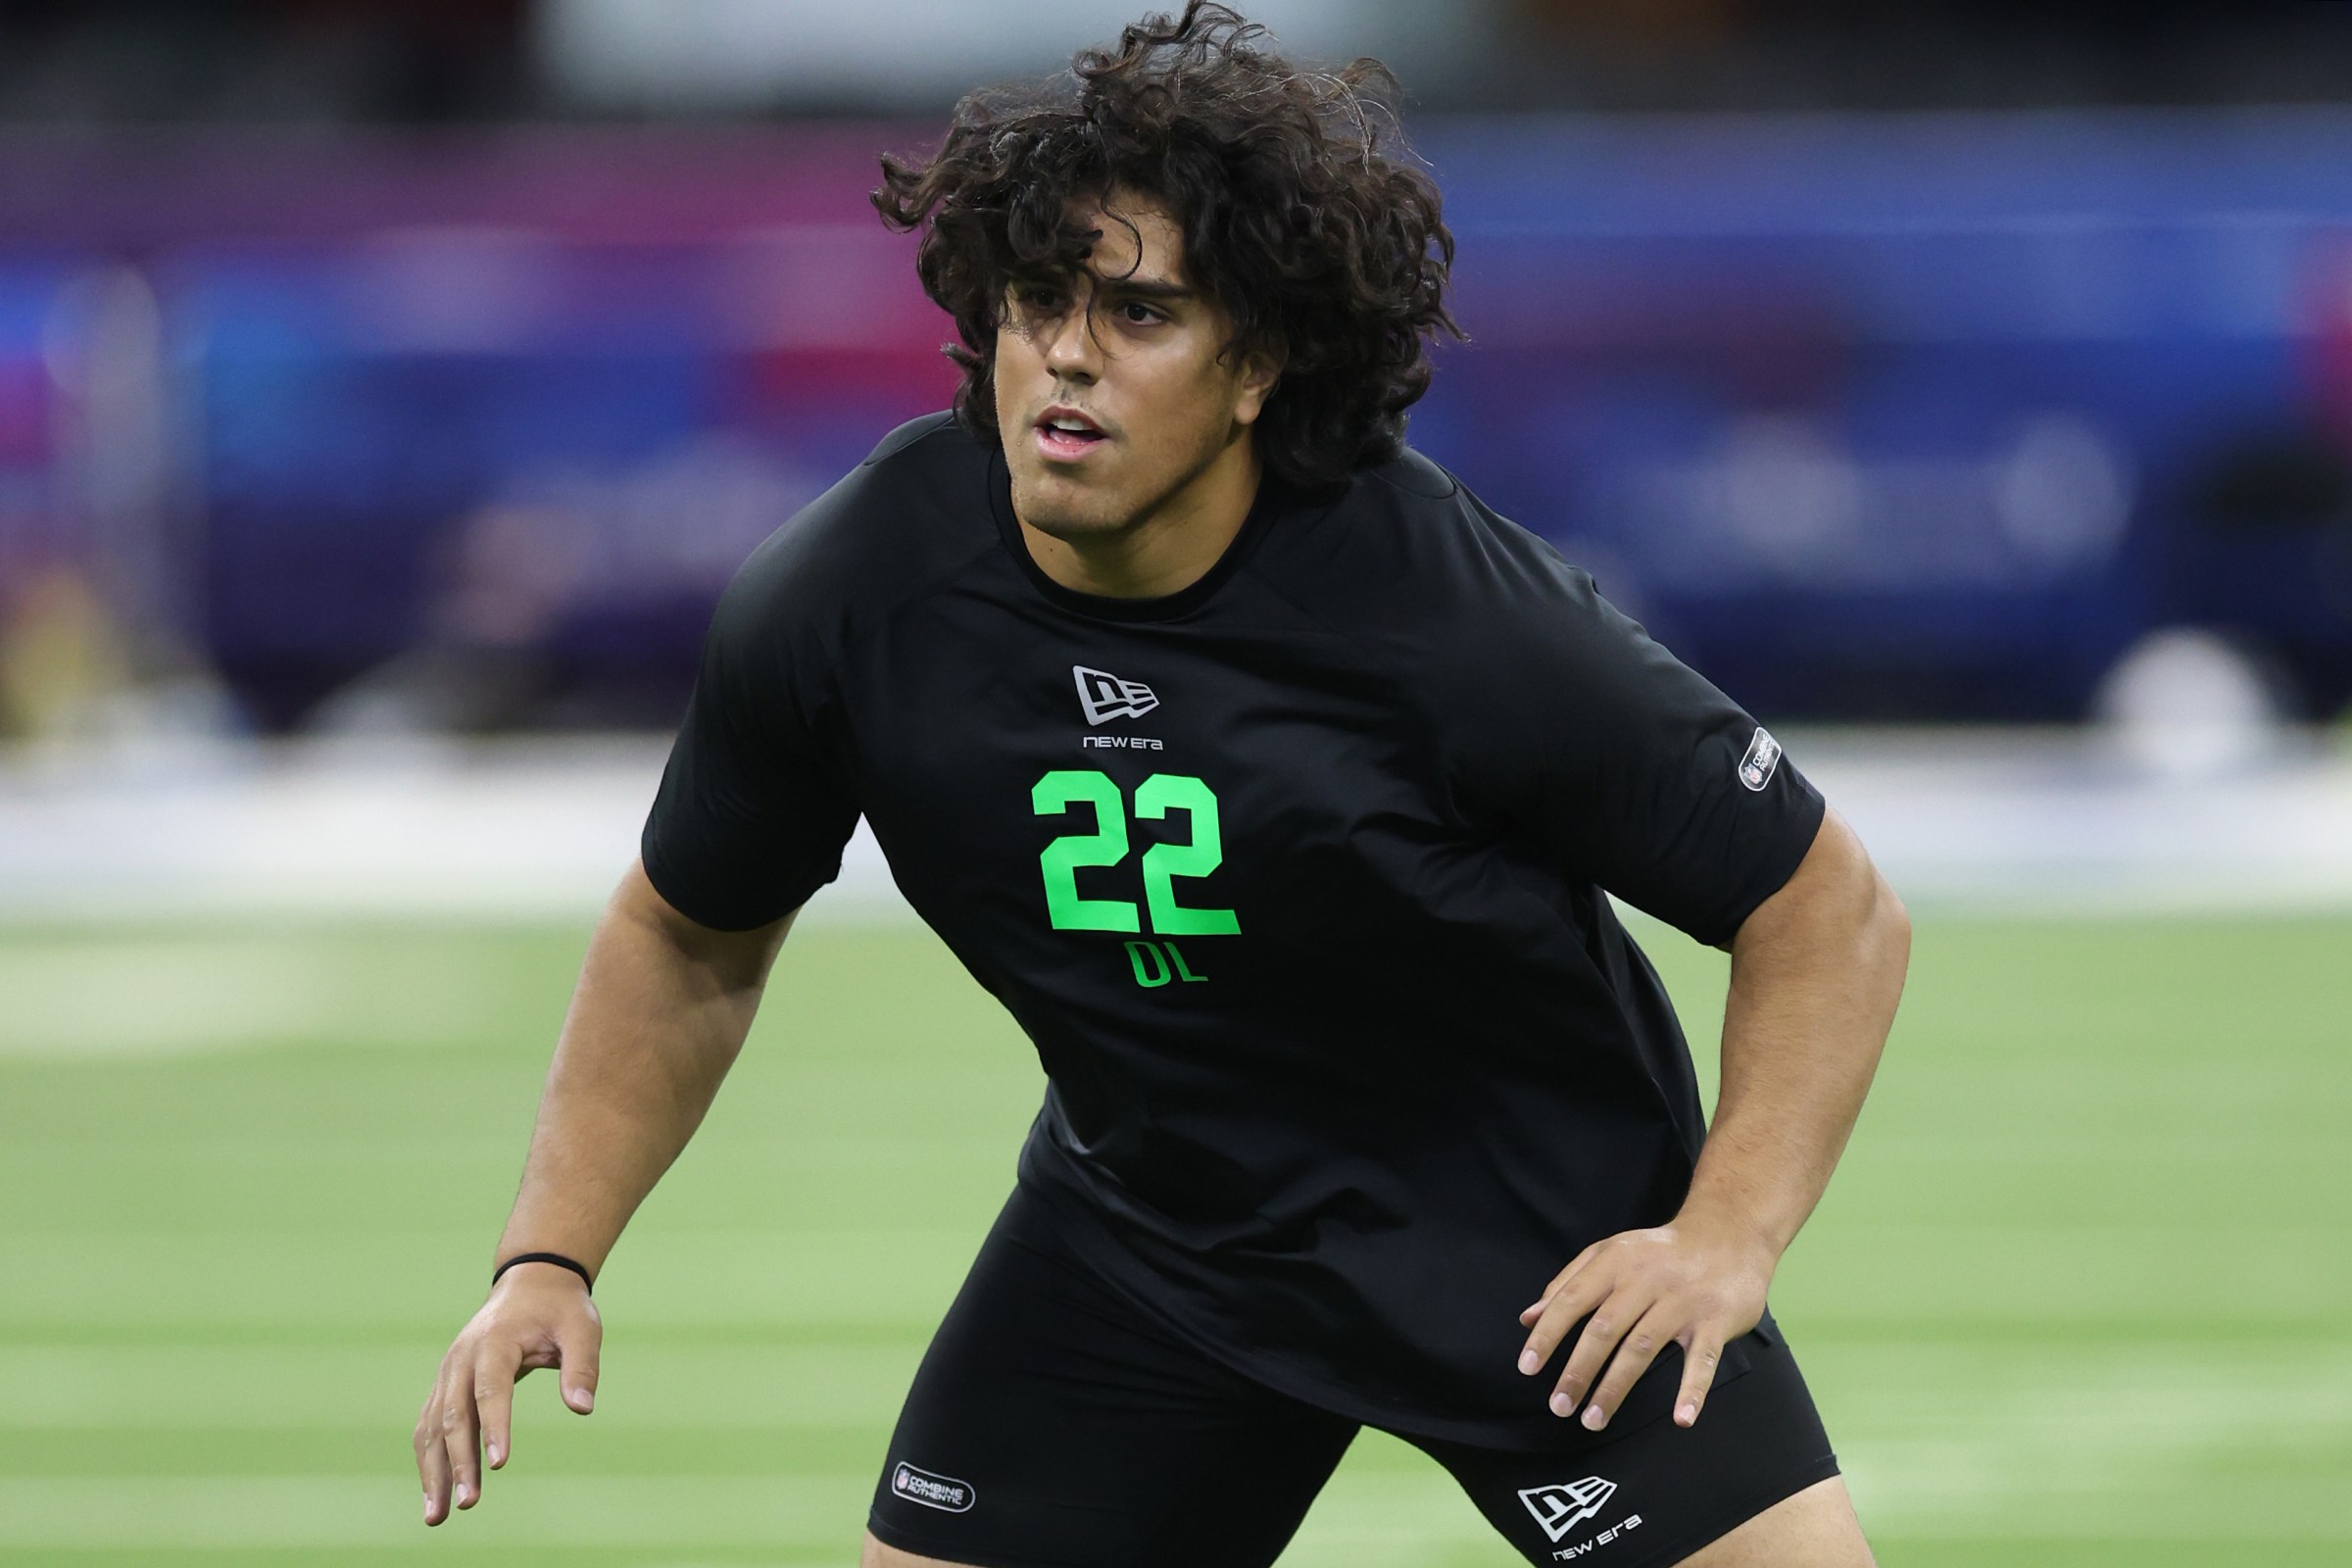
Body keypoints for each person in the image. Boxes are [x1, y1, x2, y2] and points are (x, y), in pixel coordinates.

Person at [413, 6, 1912, 1564]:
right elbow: (687, 932)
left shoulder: (1445, 613)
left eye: (1140, 312)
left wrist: (1723, 1235)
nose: (1068, 352)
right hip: (1155, 1240)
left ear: (1257, 362)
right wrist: (548, 1261)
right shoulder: (858, 594)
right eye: (1036, 301)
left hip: (1533, 1253)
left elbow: (1829, 906)